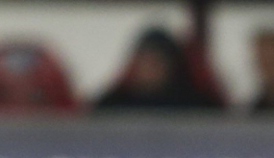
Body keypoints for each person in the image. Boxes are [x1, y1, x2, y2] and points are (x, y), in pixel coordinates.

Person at [95, 28, 223, 110]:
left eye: (156, 61)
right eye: (144, 61)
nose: (149, 68)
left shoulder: (194, 107)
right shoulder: (113, 106)